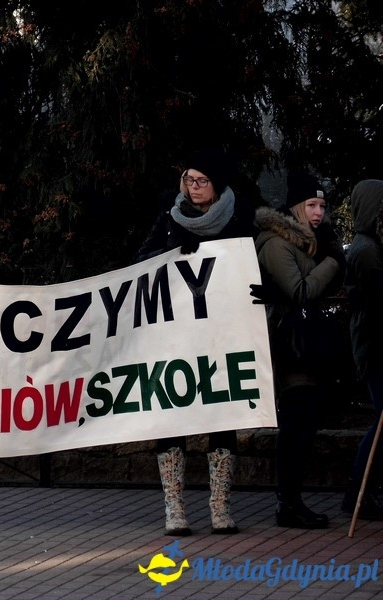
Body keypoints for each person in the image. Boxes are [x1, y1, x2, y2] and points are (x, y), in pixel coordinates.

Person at [135, 148, 256, 536]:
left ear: (216, 183)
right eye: (189, 179)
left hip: (222, 337)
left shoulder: (239, 219)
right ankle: (175, 509)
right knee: (173, 419)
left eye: (201, 180)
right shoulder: (169, 218)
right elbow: (140, 263)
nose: (194, 187)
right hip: (176, 340)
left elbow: (252, 266)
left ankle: (220, 508)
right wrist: (169, 254)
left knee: (222, 420)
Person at [254, 171, 346, 529]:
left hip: (305, 343)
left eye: (322, 205)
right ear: (295, 206)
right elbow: (302, 291)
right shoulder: (277, 243)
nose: (319, 212)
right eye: (311, 204)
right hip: (288, 343)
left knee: (305, 423)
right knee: (296, 424)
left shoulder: (311, 242)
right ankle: (288, 503)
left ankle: (292, 501)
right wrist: (333, 262)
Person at [341, 179, 383, 520]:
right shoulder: (366, 250)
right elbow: (377, 302)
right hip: (375, 347)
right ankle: (358, 492)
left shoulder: (372, 244)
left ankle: (362, 490)